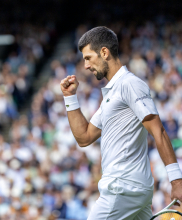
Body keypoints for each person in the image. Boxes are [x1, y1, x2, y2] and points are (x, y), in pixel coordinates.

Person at [60, 26, 182, 220]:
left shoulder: (129, 84)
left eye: (88, 57)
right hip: (132, 191)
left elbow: (159, 131)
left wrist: (176, 181)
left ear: (104, 52)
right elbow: (84, 137)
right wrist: (69, 98)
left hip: (123, 188)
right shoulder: (113, 94)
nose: (85, 65)